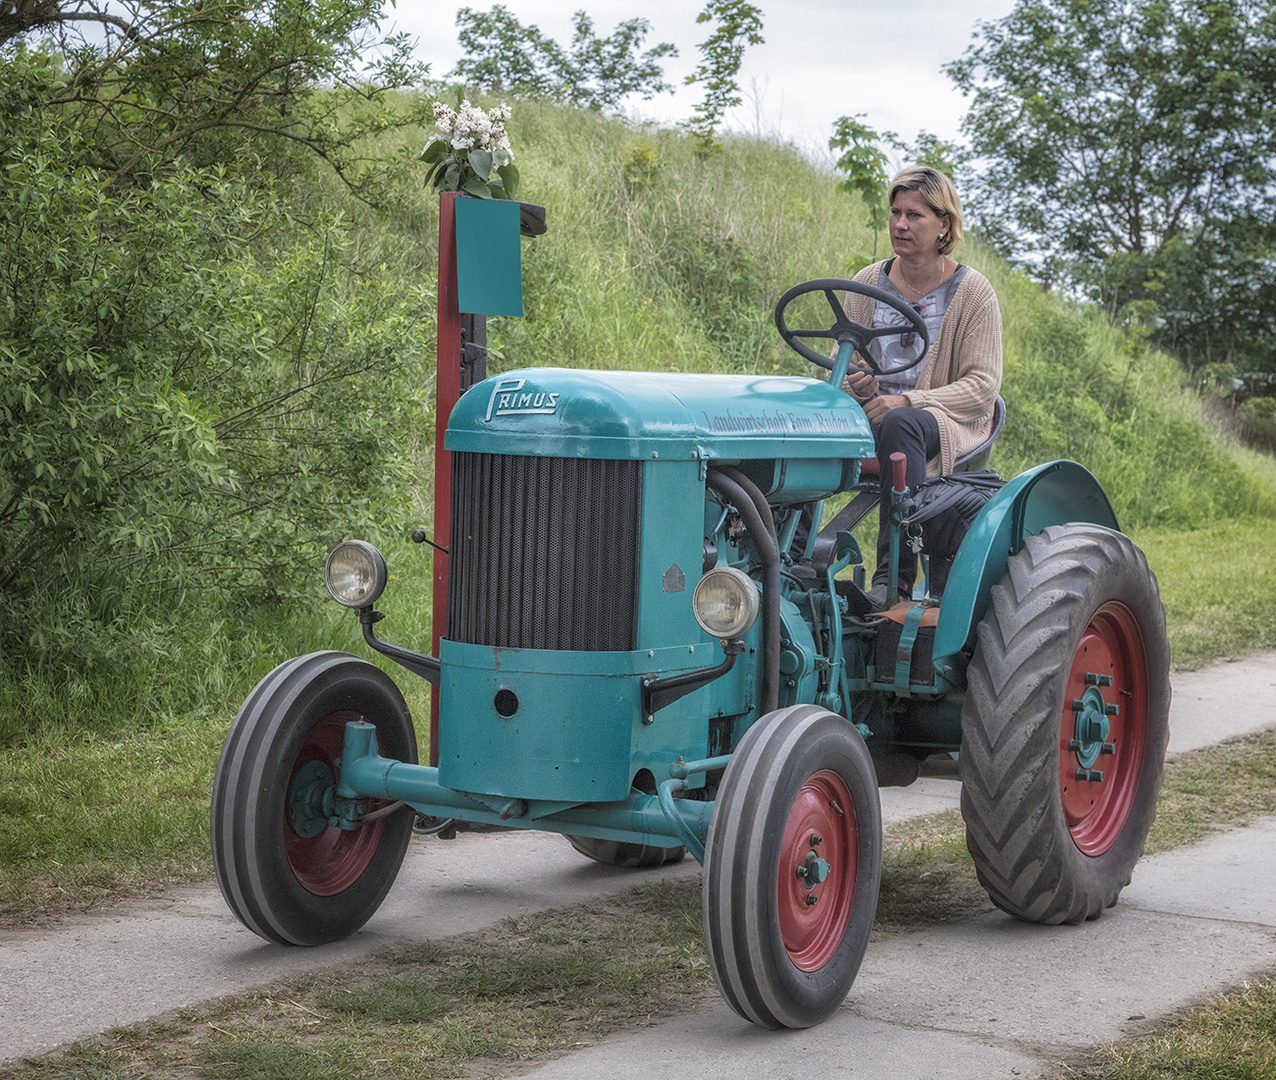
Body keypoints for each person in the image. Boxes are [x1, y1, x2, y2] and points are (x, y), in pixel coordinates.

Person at [841, 166, 1002, 606]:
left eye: (915, 215)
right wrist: (859, 382)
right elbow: (846, 364)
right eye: (895, 212)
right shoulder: (867, 282)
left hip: (940, 422)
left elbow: (982, 387)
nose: (900, 224)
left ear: (944, 224)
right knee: (801, 422)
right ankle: (786, 566)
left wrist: (907, 399)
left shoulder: (972, 293)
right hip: (869, 416)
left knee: (902, 425)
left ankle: (894, 582)